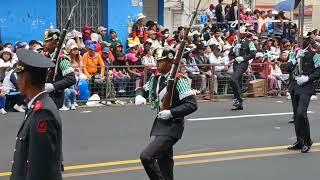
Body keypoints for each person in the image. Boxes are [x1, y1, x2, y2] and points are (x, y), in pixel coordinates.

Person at [136, 47, 198, 180]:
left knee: (147, 156)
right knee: (165, 163)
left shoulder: (180, 80)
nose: (157, 64)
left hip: (172, 126)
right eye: (157, 61)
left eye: (161, 61)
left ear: (170, 62)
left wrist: (171, 113)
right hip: (159, 125)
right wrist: (139, 95)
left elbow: (192, 105)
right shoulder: (156, 78)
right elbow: (142, 89)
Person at [10, 49, 63, 180]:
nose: (17, 81)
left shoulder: (42, 112)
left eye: (19, 76)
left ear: (26, 79)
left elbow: (39, 167)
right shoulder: (37, 105)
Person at [286, 33, 320, 153]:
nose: (299, 41)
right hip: (295, 85)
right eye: (298, 39)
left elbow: (318, 70)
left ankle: (307, 140)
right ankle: (300, 141)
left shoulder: (314, 53)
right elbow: (287, 67)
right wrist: (295, 58)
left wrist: (308, 78)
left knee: (301, 113)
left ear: (308, 40)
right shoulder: (294, 52)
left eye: (303, 39)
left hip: (306, 86)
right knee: (296, 115)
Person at [43, 26, 76, 109]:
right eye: (45, 41)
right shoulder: (45, 57)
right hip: (44, 96)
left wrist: (53, 86)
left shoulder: (62, 59)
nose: (44, 44)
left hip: (55, 97)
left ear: (55, 44)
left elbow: (71, 79)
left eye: (47, 41)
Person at [229, 33, 257, 110]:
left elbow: (253, 53)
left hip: (243, 63)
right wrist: (233, 50)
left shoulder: (249, 42)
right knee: (238, 82)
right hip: (236, 63)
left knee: (232, 79)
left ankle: (239, 99)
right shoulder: (235, 42)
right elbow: (230, 53)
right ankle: (239, 103)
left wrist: (244, 58)